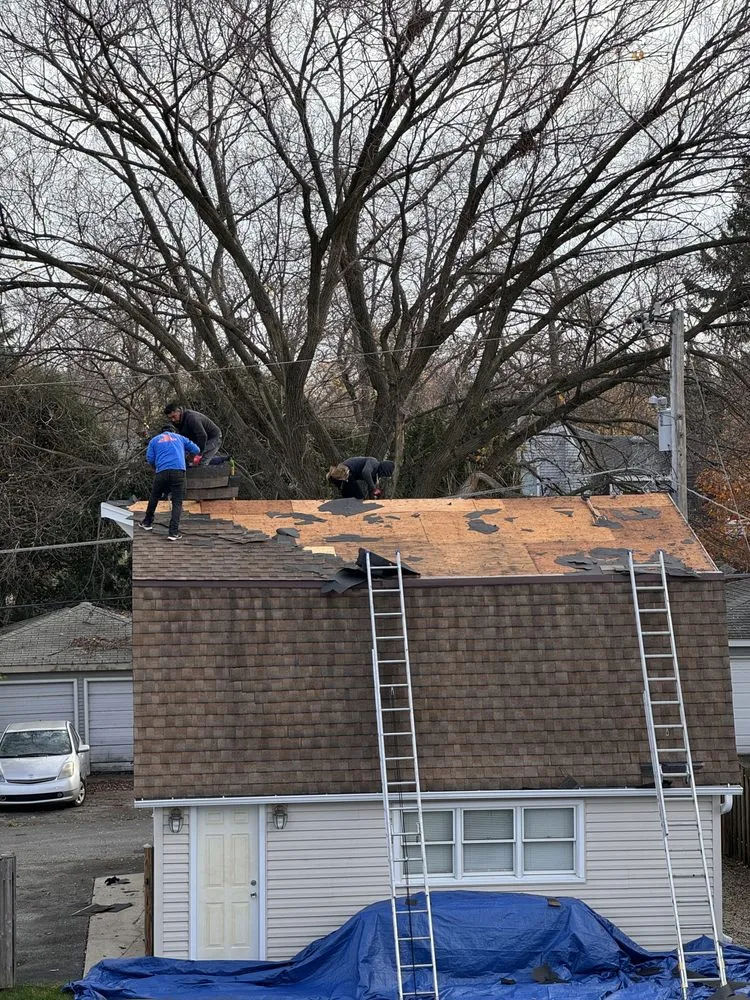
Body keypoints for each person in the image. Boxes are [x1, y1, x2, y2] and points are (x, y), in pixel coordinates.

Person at [139, 425, 200, 541]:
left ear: (162, 432)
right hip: (178, 471)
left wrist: (157, 466)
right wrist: (186, 456)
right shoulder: (180, 438)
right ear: (173, 431)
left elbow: (150, 458)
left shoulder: (154, 440)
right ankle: (173, 532)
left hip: (161, 471)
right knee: (177, 501)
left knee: (154, 496)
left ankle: (147, 522)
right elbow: (196, 450)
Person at [163, 402, 222, 466]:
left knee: (202, 460)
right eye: (170, 418)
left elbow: (202, 436)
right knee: (189, 458)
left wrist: (198, 453)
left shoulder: (192, 418)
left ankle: (214, 465)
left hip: (213, 437)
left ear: (178, 411)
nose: (173, 420)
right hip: (197, 438)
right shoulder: (176, 422)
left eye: (174, 416)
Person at [326, 457, 395, 500]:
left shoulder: (374, 476)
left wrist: (375, 497)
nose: (382, 476)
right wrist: (374, 488)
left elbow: (371, 490)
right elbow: (365, 472)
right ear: (383, 470)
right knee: (358, 499)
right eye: (384, 474)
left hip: (346, 477)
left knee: (353, 499)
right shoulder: (373, 462)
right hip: (344, 472)